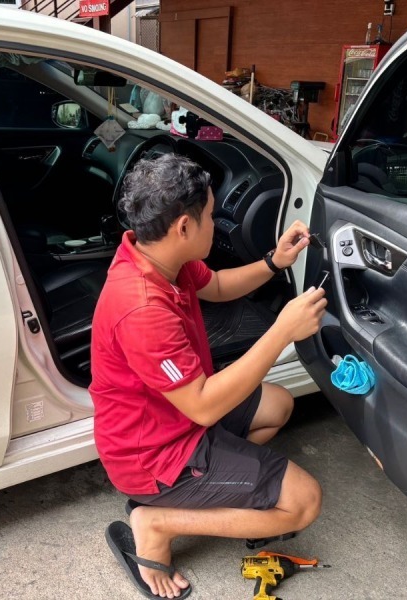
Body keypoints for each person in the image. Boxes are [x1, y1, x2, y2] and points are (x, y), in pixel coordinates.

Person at [89, 153, 327, 599]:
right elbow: (202, 406)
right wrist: (283, 331)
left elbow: (216, 285)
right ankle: (157, 521)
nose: (215, 224)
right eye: (212, 216)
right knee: (304, 501)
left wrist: (274, 262)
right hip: (155, 453)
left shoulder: (159, 258)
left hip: (174, 418)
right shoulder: (142, 308)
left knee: (279, 405)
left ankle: (216, 479)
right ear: (184, 226)